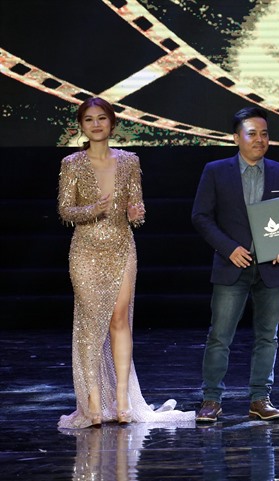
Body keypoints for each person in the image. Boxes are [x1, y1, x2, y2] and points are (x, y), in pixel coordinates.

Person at [58, 97, 194, 428]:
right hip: (86, 251)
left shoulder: (130, 161)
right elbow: (65, 210)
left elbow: (137, 207)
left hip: (122, 247)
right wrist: (93, 210)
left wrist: (136, 213)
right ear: (82, 126)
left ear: (112, 123)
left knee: (119, 319)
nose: (96, 124)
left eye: (101, 118)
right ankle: (92, 404)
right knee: (91, 326)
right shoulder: (72, 163)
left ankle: (121, 401)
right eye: (89, 119)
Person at [192, 106, 279, 423]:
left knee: (268, 336)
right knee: (220, 336)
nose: (260, 139)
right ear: (236, 137)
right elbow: (201, 216)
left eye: (265, 134)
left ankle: (260, 399)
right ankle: (211, 399)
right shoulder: (216, 170)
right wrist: (229, 249)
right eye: (252, 133)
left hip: (272, 267)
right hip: (232, 265)